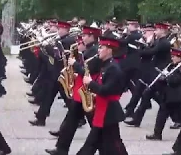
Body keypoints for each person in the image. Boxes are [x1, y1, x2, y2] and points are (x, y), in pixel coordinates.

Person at [45, 26, 101, 155]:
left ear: (93, 37)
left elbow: (88, 72)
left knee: (96, 127)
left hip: (87, 92)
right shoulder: (88, 49)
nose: (83, 38)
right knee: (69, 123)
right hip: (79, 92)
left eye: (86, 36)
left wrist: (74, 64)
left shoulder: (95, 51)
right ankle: (61, 149)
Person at [76, 35, 128, 155]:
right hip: (102, 109)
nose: (98, 50)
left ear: (109, 50)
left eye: (101, 47)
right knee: (95, 143)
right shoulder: (106, 65)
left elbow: (106, 90)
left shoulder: (113, 68)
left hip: (109, 111)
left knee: (114, 144)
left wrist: (90, 83)